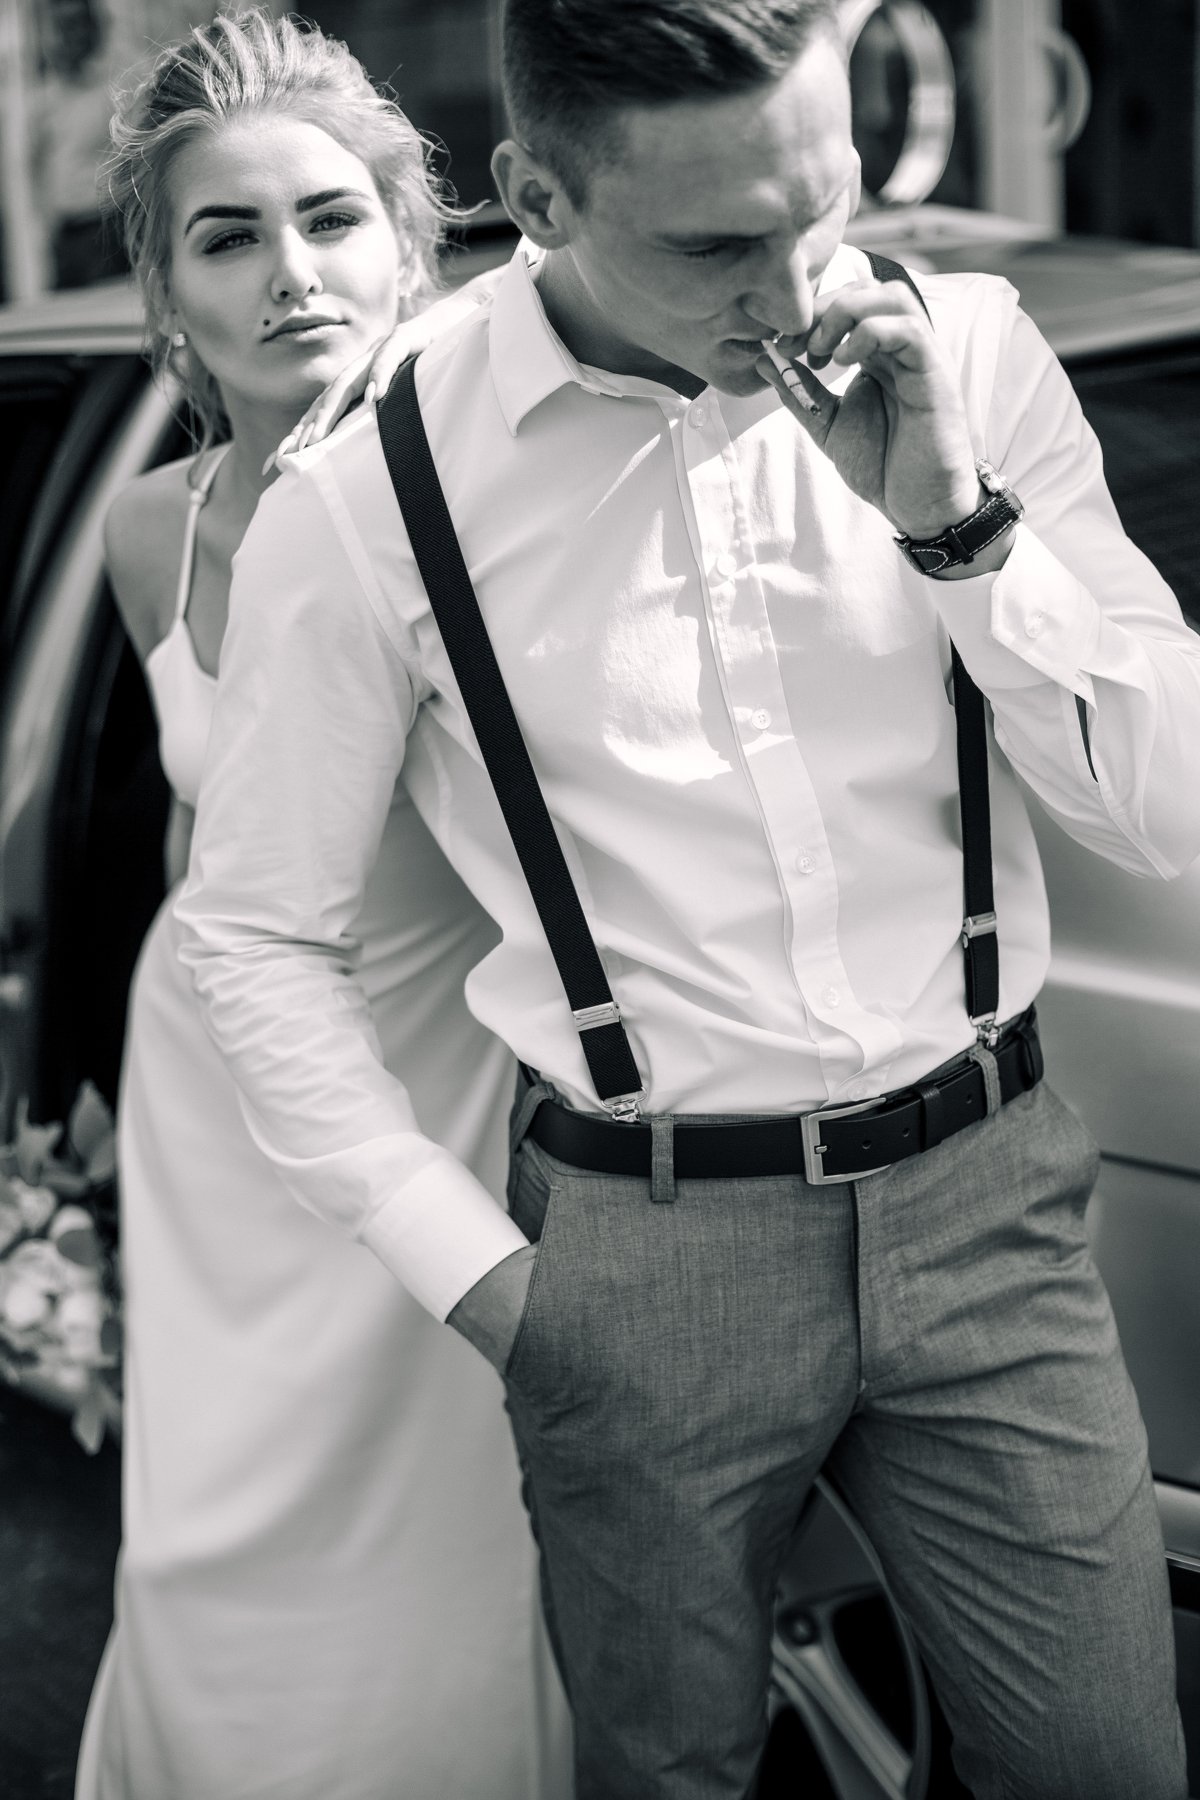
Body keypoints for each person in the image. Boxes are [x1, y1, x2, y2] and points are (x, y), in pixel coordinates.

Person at [175, 1, 1200, 1795]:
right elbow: (255, 935)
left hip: (989, 1202)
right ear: (536, 198)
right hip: (637, 1258)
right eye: (718, 247)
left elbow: (1164, 816)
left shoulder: (965, 347)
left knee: (1108, 1765)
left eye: (825, 206)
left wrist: (959, 533)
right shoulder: (370, 493)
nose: (796, 293)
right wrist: (493, 1287)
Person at [74, 13, 571, 1799]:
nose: (291, 272)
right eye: (229, 238)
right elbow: (203, 844)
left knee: (435, 1545)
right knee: (204, 1538)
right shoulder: (151, 527)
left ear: (411, 244)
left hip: (435, 1077)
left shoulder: (509, 497)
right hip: (209, 1106)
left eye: (333, 218)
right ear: (169, 298)